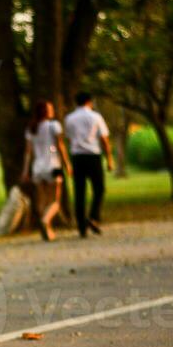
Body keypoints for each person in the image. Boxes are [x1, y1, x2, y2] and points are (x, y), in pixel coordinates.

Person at [65, 92, 114, 238]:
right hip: (93, 156)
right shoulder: (96, 116)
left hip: (77, 157)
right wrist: (109, 158)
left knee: (79, 192)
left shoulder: (69, 118)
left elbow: (69, 138)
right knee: (99, 189)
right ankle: (93, 217)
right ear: (89, 102)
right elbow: (104, 139)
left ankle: (81, 227)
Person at [21, 100, 72, 242]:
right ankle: (45, 221)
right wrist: (67, 164)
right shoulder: (54, 126)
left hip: (37, 168)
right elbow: (60, 146)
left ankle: (48, 230)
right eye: (50, 109)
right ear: (46, 112)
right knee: (55, 200)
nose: (52, 110)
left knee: (42, 201)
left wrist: (25, 171)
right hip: (53, 166)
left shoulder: (31, 128)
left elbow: (28, 152)